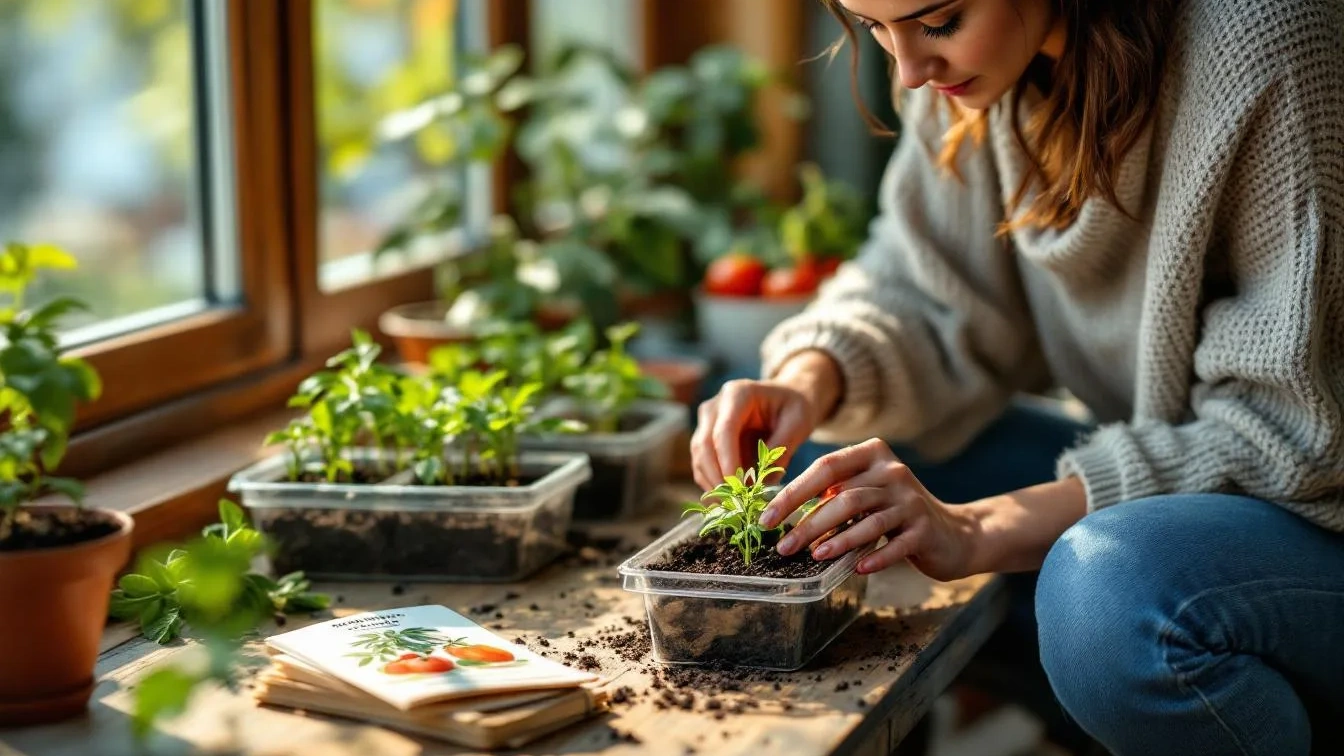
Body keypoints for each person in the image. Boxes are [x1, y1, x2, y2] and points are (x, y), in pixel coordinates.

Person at [689, 0, 1344, 754]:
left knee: (1107, 593)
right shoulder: (968, 73)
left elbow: (1296, 434)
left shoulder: (1265, 39)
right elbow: (927, 289)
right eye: (871, 27)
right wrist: (810, 379)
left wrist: (974, 530)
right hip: (1182, 471)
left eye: (938, 21)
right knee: (802, 453)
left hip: (1313, 506)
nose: (906, 70)